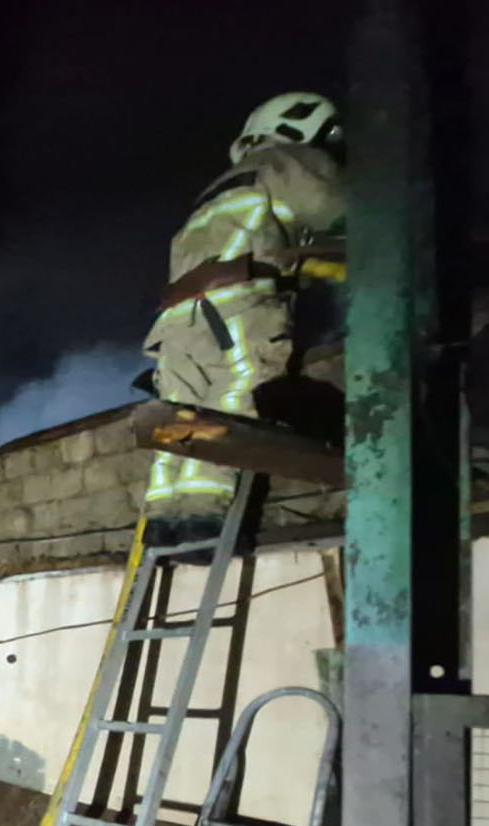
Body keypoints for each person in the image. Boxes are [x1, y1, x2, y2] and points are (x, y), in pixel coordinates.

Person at [142, 93, 346, 546]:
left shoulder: (216, 189)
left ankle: (163, 522)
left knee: (180, 413)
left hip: (177, 316)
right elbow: (345, 215)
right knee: (235, 399)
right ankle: (201, 520)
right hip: (236, 303)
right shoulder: (293, 161)